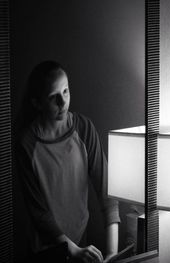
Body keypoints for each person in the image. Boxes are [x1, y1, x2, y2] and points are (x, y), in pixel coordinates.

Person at [16, 60, 120, 263]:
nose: (63, 102)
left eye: (65, 91)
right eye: (53, 97)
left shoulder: (84, 128)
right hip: (46, 251)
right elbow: (39, 213)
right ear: (37, 103)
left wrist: (113, 253)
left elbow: (107, 192)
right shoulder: (27, 144)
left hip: (81, 242)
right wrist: (71, 250)